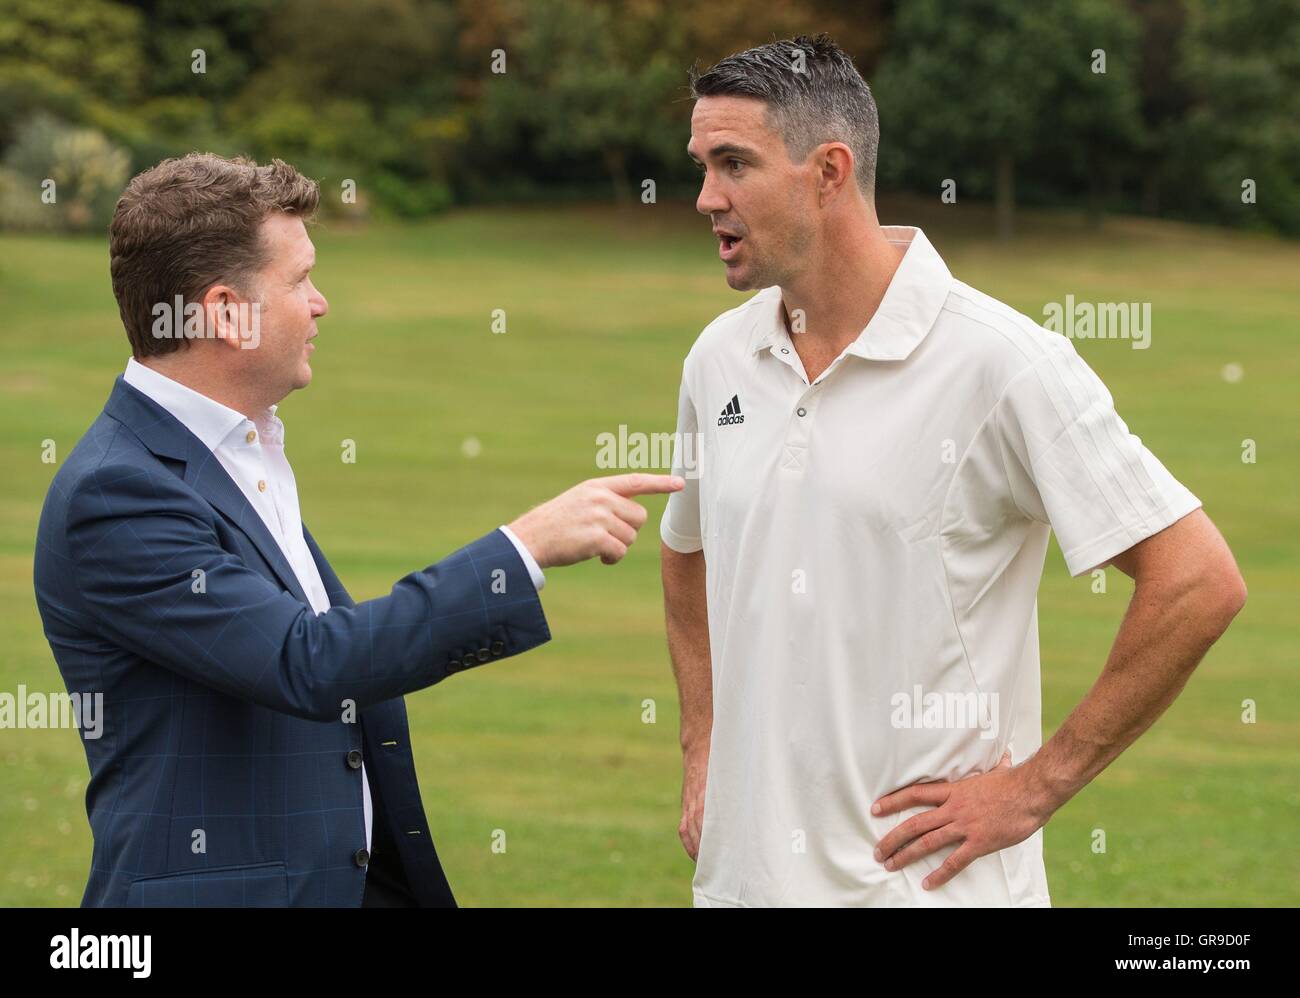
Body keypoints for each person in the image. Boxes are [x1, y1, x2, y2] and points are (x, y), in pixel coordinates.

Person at [659, 34, 1246, 907]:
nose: (706, 197)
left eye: (734, 164)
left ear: (828, 171)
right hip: (740, 888)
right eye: (703, 165)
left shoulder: (1004, 363)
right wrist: (701, 745)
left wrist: (1038, 787)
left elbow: (1198, 581)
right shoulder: (719, 358)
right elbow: (687, 549)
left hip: (927, 892)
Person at [34, 152, 681, 907]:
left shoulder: (240, 450)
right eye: (299, 279)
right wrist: (521, 551)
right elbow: (306, 663)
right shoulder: (119, 492)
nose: (321, 303)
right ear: (223, 310)